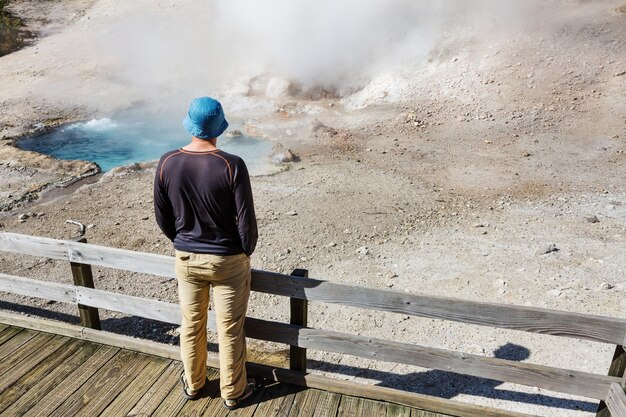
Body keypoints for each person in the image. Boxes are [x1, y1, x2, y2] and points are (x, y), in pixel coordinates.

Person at [154, 96, 260, 409]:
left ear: (191, 125)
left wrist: (184, 241)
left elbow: (162, 217)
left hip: (186, 259)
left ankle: (194, 384)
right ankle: (233, 392)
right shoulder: (232, 164)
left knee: (191, 324)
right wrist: (244, 252)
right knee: (229, 330)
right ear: (218, 127)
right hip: (227, 260)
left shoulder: (167, 161)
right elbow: (246, 221)